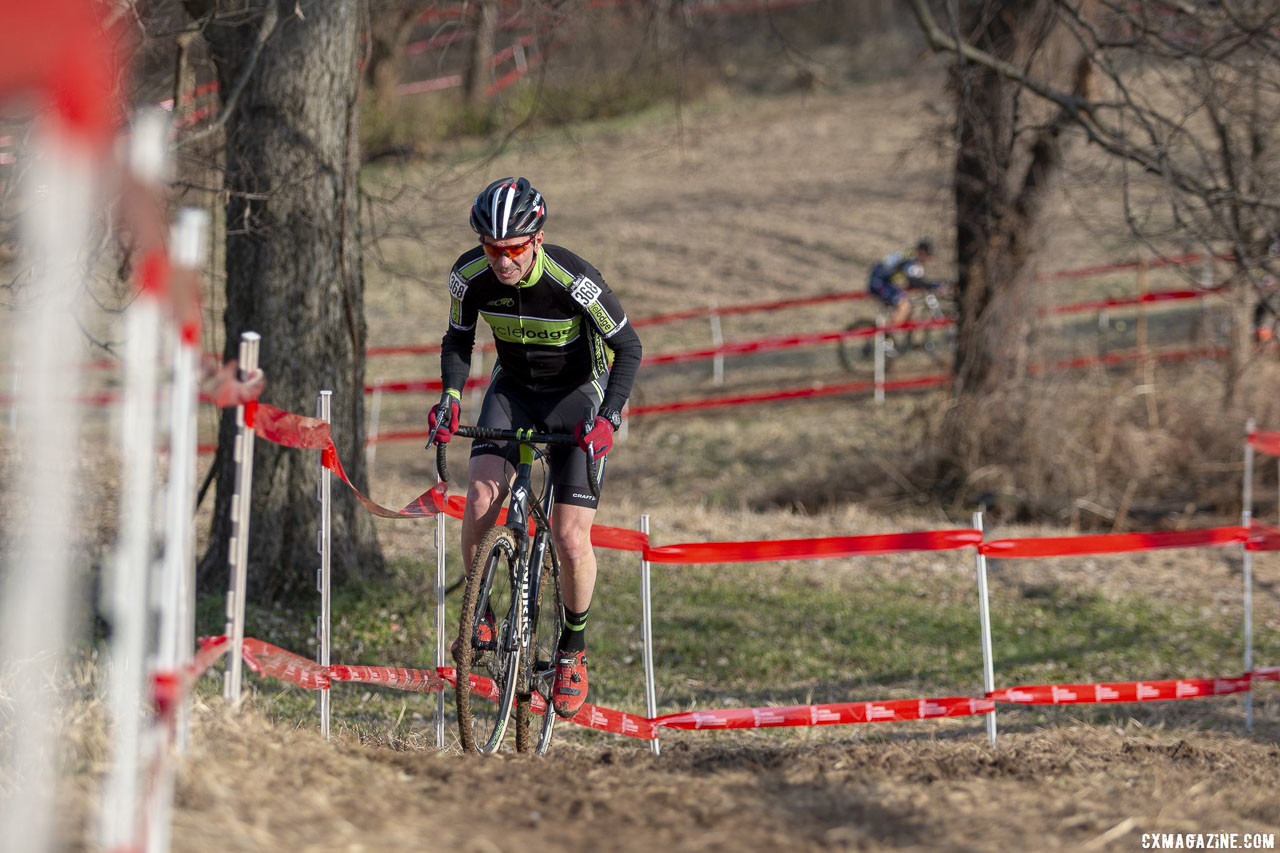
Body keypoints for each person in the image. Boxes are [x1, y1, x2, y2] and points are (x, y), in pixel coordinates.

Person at [428, 176, 643, 719]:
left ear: (537, 239)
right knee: (479, 500)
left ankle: (572, 650)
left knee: (571, 538)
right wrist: (452, 395)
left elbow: (628, 347)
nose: (502, 261)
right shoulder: (468, 277)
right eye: (492, 249)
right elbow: (459, 338)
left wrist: (610, 418)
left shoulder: (575, 280)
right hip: (514, 392)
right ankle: (481, 611)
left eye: (514, 249)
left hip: (577, 398)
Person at [867, 238, 945, 347]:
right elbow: (913, 281)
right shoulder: (911, 259)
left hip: (886, 281)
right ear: (922, 252)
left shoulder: (912, 259)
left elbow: (914, 281)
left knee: (908, 303)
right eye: (929, 255)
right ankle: (887, 337)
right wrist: (934, 286)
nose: (930, 259)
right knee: (905, 305)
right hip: (879, 281)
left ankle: (898, 338)